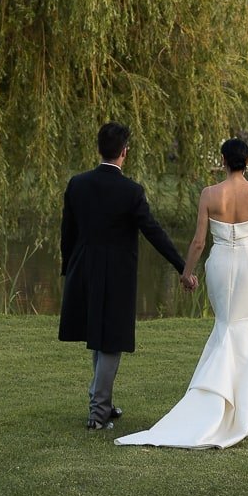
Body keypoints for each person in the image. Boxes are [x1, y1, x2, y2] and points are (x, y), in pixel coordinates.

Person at [116, 136, 248, 449]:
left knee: (225, 327)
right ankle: (240, 414)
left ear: (224, 161)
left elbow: (199, 242)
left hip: (220, 263)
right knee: (246, 331)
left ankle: (221, 404)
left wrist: (187, 274)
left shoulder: (209, 193)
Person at [59, 122, 197, 430]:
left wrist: (67, 268)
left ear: (99, 149)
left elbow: (67, 232)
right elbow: (154, 233)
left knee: (99, 337)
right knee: (110, 341)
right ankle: (97, 415)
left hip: (82, 269)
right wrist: (182, 267)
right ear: (125, 152)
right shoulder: (131, 191)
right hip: (115, 275)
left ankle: (103, 404)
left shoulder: (77, 184)